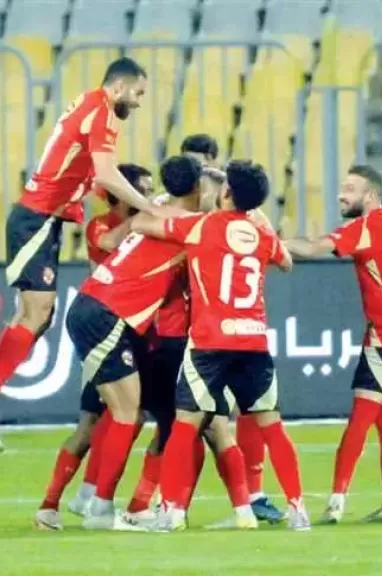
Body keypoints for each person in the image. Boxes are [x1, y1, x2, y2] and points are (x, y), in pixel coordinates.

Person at [0, 57, 178, 451]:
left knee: (39, 316)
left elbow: (86, 168)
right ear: (119, 86)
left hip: (45, 218)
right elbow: (107, 174)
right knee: (36, 313)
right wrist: (151, 207)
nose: (139, 101)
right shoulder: (103, 112)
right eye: (138, 93)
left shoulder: (90, 104)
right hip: (36, 217)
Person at [131, 160, 311, 532]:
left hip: (209, 343)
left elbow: (140, 225)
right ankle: (298, 509)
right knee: (272, 426)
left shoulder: (201, 226)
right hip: (253, 341)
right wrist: (257, 218)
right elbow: (287, 261)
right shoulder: (261, 235)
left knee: (184, 425)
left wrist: (162, 204)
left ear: (227, 192)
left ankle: (172, 513)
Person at [285, 165, 382, 524]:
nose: (341, 195)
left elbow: (313, 248)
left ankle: (335, 503)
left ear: (370, 196)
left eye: (350, 189)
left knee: (361, 417)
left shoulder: (364, 228)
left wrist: (273, 243)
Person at [55, 155, 203, 531]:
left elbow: (118, 234)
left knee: (125, 412)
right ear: (198, 188)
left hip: (95, 305)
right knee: (125, 413)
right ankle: (100, 510)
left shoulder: (152, 213)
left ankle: (92, 502)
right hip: (106, 311)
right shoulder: (192, 225)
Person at [34, 163, 152, 529]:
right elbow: (108, 244)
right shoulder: (100, 225)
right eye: (141, 190)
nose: (146, 197)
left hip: (127, 329)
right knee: (93, 423)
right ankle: (58, 503)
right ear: (120, 194)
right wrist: (147, 216)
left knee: (126, 416)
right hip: (104, 326)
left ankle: (86, 495)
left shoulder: (143, 226)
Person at [181, 133, 284, 524]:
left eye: (205, 168)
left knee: (224, 415)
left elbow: (275, 247)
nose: (200, 176)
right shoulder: (183, 208)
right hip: (183, 326)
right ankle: (168, 503)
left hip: (216, 330)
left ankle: (247, 498)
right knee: (190, 421)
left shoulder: (226, 219)